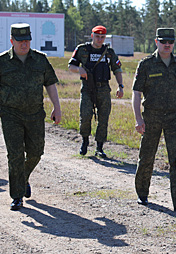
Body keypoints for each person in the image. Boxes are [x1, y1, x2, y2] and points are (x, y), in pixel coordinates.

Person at [131, 28, 176, 211]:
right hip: (152, 116)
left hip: (174, 117)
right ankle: (142, 193)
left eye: (170, 42)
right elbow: (136, 93)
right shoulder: (146, 64)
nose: (167, 45)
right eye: (163, 41)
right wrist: (138, 118)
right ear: (156, 42)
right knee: (147, 157)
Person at [0, 23, 62, 211]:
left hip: (35, 114)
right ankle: (17, 195)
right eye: (20, 41)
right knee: (15, 155)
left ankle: (23, 177)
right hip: (10, 114)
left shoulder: (40, 60)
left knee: (36, 152)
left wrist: (56, 108)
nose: (24, 44)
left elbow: (50, 84)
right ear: (12, 41)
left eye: (27, 40)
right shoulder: (2, 62)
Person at [68, 25, 124, 157]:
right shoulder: (82, 49)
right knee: (86, 115)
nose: (99, 39)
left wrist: (120, 86)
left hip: (104, 88)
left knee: (103, 118)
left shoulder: (109, 52)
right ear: (92, 36)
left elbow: (117, 69)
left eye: (102, 37)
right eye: (97, 36)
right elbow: (71, 66)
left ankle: (99, 147)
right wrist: (79, 70)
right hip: (87, 88)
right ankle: (85, 141)